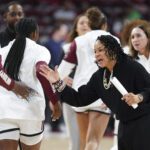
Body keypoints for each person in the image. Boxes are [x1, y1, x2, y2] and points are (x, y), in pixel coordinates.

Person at [39, 34, 150, 150]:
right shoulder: (99, 77)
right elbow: (80, 98)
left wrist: (139, 97)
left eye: (100, 50)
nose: (96, 54)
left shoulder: (132, 67)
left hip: (144, 123)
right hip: (124, 125)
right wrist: (58, 83)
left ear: (113, 49)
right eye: (95, 51)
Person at [0, 18, 61, 150]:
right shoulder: (40, 50)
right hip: (31, 111)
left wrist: (12, 85)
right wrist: (55, 101)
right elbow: (41, 71)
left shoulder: (3, 51)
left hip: (5, 110)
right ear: (35, 33)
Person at [58, 7, 112, 150]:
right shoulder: (113, 40)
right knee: (93, 142)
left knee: (84, 142)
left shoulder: (78, 41)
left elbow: (62, 70)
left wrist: (61, 82)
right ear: (104, 25)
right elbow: (120, 70)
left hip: (80, 95)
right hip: (102, 95)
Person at [110, 20, 150, 150]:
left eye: (139, 36)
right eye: (132, 37)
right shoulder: (128, 58)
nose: (135, 39)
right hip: (130, 111)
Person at [60, 14, 91, 150]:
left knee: (90, 141)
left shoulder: (97, 48)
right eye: (81, 23)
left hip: (92, 98)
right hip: (71, 97)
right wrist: (63, 78)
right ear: (76, 28)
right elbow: (57, 71)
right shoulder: (66, 48)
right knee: (75, 141)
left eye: (87, 23)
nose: (84, 25)